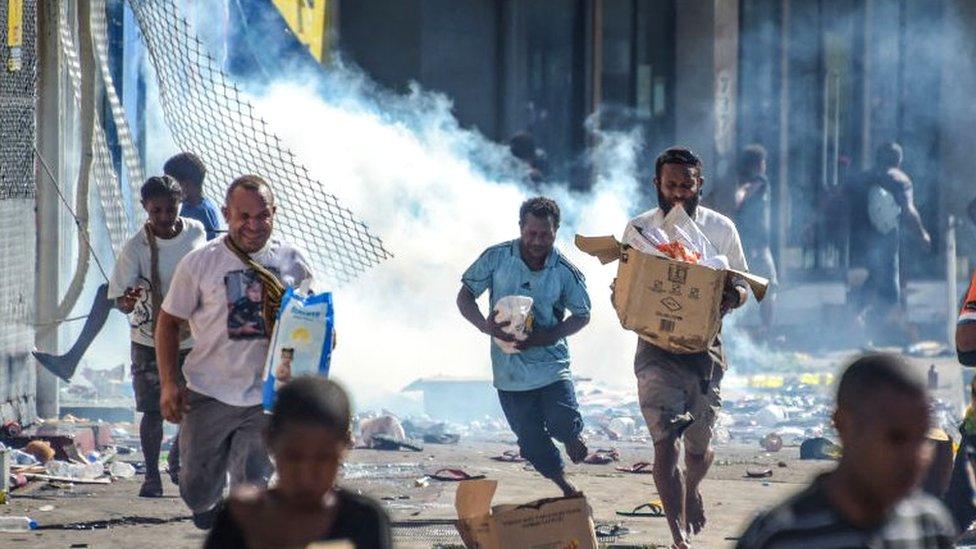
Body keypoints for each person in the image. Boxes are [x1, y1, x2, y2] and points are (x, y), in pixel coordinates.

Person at [156, 175, 314, 528]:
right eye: (244, 217)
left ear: (274, 213)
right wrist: (169, 384)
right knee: (196, 488)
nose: (254, 226)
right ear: (226, 214)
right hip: (209, 393)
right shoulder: (200, 263)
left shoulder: (291, 261)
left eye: (262, 216)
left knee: (251, 489)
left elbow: (308, 320)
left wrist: (321, 338)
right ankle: (205, 505)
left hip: (266, 398)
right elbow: (167, 323)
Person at [622, 147, 750, 548]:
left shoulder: (721, 229)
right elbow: (624, 288)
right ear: (657, 184)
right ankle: (677, 537)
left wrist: (734, 298)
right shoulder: (640, 230)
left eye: (686, 185)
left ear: (700, 185)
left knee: (699, 450)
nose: (678, 193)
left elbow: (744, 284)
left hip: (704, 351)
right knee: (665, 443)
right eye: (670, 184)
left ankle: (692, 489)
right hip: (656, 349)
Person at [737, 354, 956, 548]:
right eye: (896, 438)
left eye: (922, 439)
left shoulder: (929, 526)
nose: (914, 457)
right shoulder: (782, 535)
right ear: (843, 425)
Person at [457, 197, 591, 497]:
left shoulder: (564, 270)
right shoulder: (496, 258)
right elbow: (465, 296)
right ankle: (565, 486)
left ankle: (570, 436)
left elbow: (583, 314)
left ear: (555, 232)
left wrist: (547, 336)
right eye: (531, 234)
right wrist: (485, 325)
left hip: (551, 364)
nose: (537, 241)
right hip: (509, 372)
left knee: (561, 421)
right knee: (530, 441)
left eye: (544, 235)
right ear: (521, 228)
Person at [204, 376, 392, 549]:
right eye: (294, 457)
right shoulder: (242, 518)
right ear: (270, 441)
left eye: (322, 458)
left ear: (344, 446)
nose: (307, 474)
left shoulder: (363, 521)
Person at [107, 175, 206, 497]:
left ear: (181, 205)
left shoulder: (196, 232)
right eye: (157, 211)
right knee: (152, 409)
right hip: (149, 338)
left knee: (195, 403)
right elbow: (121, 301)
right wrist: (129, 299)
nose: (165, 217)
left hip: (193, 336)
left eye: (171, 209)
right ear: (145, 209)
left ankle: (176, 458)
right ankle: (152, 476)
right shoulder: (135, 248)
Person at [848, 142, 931, 343]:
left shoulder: (864, 178)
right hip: (886, 240)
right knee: (890, 292)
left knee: (872, 279)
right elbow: (908, 209)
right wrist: (922, 234)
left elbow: (841, 199)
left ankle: (858, 319)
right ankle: (868, 330)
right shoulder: (899, 179)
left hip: (860, 238)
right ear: (898, 160)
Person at [733, 144, 777, 338]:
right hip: (755, 246)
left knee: (761, 287)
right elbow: (742, 194)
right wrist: (741, 194)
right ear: (758, 164)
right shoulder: (759, 181)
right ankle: (764, 330)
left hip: (757, 245)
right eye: (763, 162)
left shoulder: (756, 182)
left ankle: (762, 330)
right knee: (767, 287)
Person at [164, 152, 222, 240]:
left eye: (171, 184)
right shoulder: (187, 205)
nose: (167, 189)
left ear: (187, 185)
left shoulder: (201, 213)